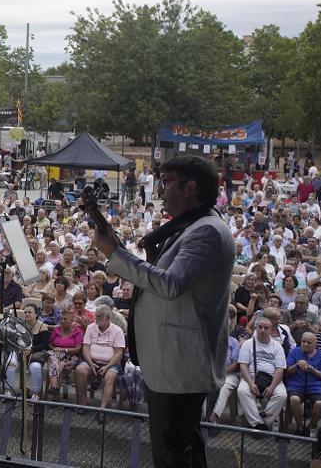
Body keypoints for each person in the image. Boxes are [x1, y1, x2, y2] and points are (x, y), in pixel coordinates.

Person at [94, 155, 233, 467]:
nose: (159, 190)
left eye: (166, 181)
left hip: (181, 366)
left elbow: (170, 285)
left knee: (172, 458)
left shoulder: (207, 231)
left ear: (190, 187)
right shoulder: (191, 227)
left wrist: (115, 255)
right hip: (172, 365)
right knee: (185, 454)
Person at [237, 317, 288, 430]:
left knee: (281, 395)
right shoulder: (248, 344)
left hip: (272, 379)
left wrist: (272, 387)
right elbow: (243, 366)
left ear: (271, 330)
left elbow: (280, 369)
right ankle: (257, 423)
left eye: (266, 328)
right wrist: (250, 383)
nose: (262, 330)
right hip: (251, 378)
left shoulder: (277, 346)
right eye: (260, 327)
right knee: (242, 390)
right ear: (256, 328)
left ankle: (263, 421)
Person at [74, 305, 125, 416]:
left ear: (107, 318)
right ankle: (83, 403)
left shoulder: (117, 331)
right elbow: (86, 347)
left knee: (110, 376)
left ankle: (102, 409)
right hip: (91, 361)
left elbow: (118, 353)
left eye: (99, 316)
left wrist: (107, 366)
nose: (95, 318)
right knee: (80, 370)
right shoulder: (91, 327)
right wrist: (90, 362)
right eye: (95, 316)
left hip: (110, 363)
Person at [284, 331, 321, 436]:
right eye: (303, 341)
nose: (305, 344)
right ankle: (299, 427)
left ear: (315, 345)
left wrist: (312, 369)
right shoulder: (294, 352)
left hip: (315, 387)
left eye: (309, 342)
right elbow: (287, 372)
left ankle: (310, 427)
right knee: (294, 399)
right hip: (296, 385)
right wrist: (297, 365)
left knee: (320, 404)